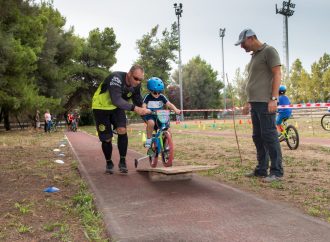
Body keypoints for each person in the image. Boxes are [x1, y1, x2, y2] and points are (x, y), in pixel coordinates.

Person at [235, 28, 283, 182]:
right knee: (258, 137)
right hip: (255, 103)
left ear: (251, 38)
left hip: (265, 103)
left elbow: (277, 74)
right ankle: (262, 169)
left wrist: (274, 99)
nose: (242, 46)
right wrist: (248, 102)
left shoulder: (269, 51)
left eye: (243, 43)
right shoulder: (254, 56)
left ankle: (276, 171)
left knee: (269, 136)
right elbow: (254, 81)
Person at [92, 64, 151, 174]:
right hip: (100, 107)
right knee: (107, 139)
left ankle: (122, 161)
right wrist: (135, 109)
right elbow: (116, 100)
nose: (138, 82)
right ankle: (109, 162)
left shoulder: (136, 86)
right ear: (129, 74)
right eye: (136, 78)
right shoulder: (116, 78)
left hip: (117, 107)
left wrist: (148, 121)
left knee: (122, 130)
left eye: (140, 80)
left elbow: (138, 102)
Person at [142, 77, 181, 148]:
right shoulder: (147, 97)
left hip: (160, 115)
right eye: (155, 92)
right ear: (150, 90)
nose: (157, 94)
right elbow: (143, 105)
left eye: (159, 92)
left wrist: (176, 109)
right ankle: (149, 139)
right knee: (151, 123)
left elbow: (169, 104)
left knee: (168, 130)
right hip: (150, 115)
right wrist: (144, 109)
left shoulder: (162, 97)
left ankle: (166, 146)